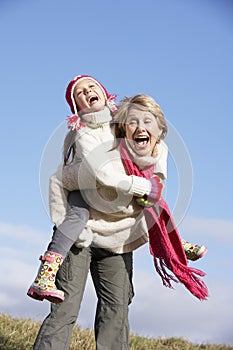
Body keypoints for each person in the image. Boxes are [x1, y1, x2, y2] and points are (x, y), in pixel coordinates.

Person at [31, 79, 208, 349]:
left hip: (118, 238)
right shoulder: (83, 133)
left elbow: (156, 138)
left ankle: (172, 242)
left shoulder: (125, 121)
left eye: (92, 86)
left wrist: (154, 178)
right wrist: (140, 184)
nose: (88, 91)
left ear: (104, 92)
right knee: (64, 307)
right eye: (80, 93)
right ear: (75, 106)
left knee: (117, 309)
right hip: (82, 232)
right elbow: (98, 173)